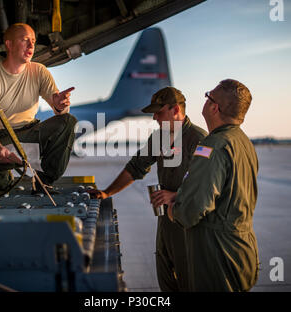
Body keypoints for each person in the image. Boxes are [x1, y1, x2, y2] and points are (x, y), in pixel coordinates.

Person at [90, 87, 207, 291]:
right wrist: (107, 192)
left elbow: (209, 183)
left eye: (159, 112)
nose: (154, 118)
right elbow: (136, 167)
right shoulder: (159, 137)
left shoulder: (199, 139)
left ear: (175, 109)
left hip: (189, 225)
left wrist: (177, 195)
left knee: (190, 281)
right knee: (166, 279)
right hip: (166, 223)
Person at [168, 79, 259, 291]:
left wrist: (174, 210)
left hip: (218, 257)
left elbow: (192, 210)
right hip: (241, 249)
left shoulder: (213, 146)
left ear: (214, 107)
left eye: (208, 95)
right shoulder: (242, 142)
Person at [0, 23, 77, 191]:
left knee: (68, 121)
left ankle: (44, 181)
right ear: (9, 44)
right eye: (25, 40)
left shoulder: (39, 71)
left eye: (33, 41)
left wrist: (59, 106)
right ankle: (5, 183)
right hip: (1, 138)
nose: (31, 46)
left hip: (30, 133)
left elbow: (60, 111)